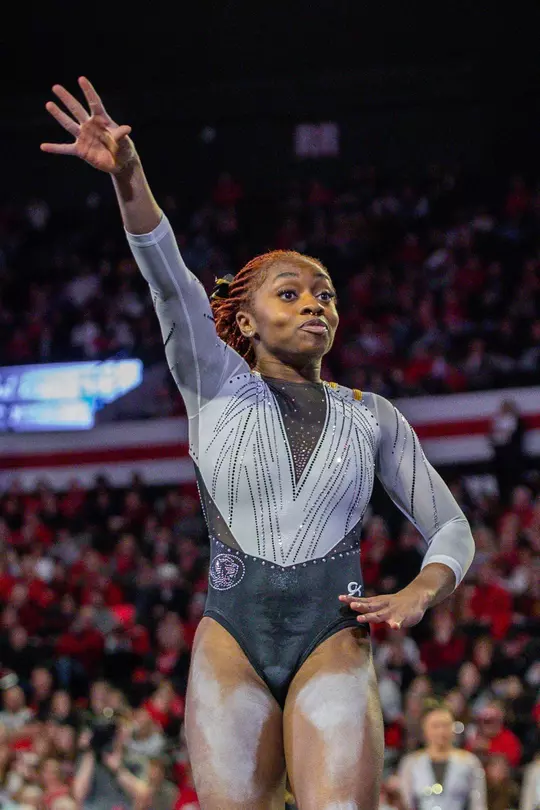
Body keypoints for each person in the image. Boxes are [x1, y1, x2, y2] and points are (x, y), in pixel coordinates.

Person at [41, 77, 475, 810]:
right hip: (231, 640)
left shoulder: (374, 416)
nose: (314, 303)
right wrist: (129, 174)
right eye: (291, 292)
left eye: (326, 294)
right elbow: (167, 280)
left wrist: (421, 592)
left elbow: (452, 527)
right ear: (243, 321)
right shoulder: (211, 383)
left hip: (331, 633)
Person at [399, 702, 487, 810]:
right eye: (435, 726)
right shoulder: (411, 763)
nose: (441, 731)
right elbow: (405, 803)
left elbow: (478, 805)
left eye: (446, 725)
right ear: (424, 730)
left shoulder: (470, 762)